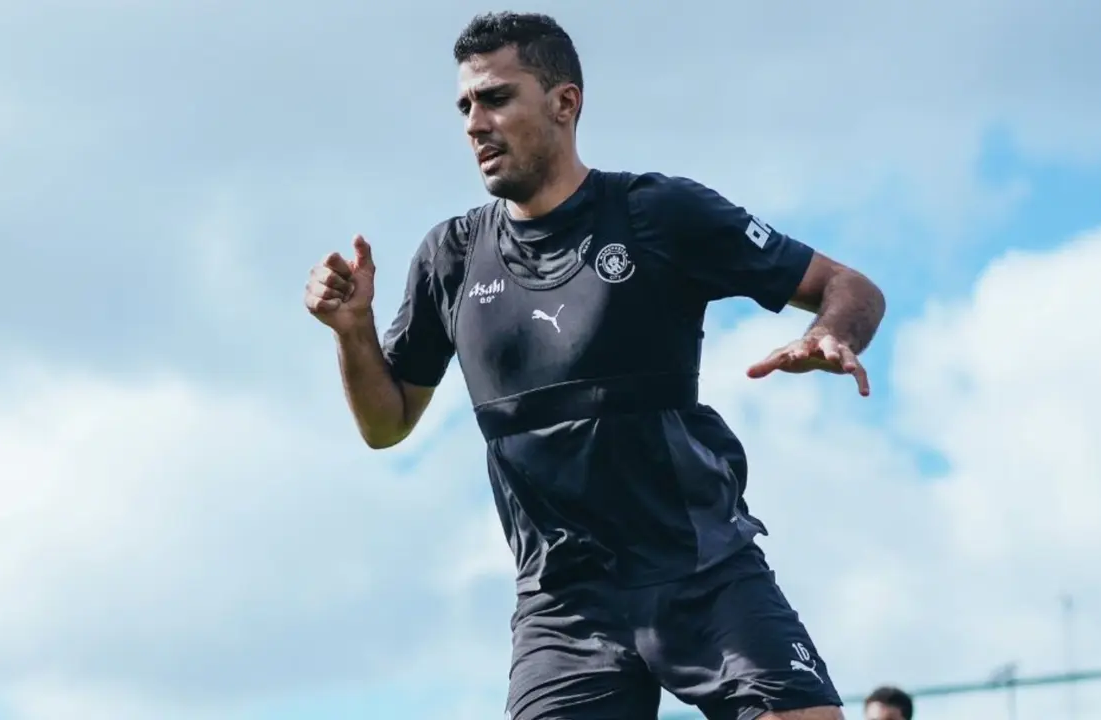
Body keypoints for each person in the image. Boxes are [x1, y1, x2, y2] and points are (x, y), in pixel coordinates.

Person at [304, 11, 885, 720]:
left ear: (565, 103)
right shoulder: (451, 257)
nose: (474, 123)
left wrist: (830, 332)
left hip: (700, 570)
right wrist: (353, 330)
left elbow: (847, 285)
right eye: (464, 106)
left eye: (495, 98)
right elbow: (386, 424)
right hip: (564, 605)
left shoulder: (657, 213)